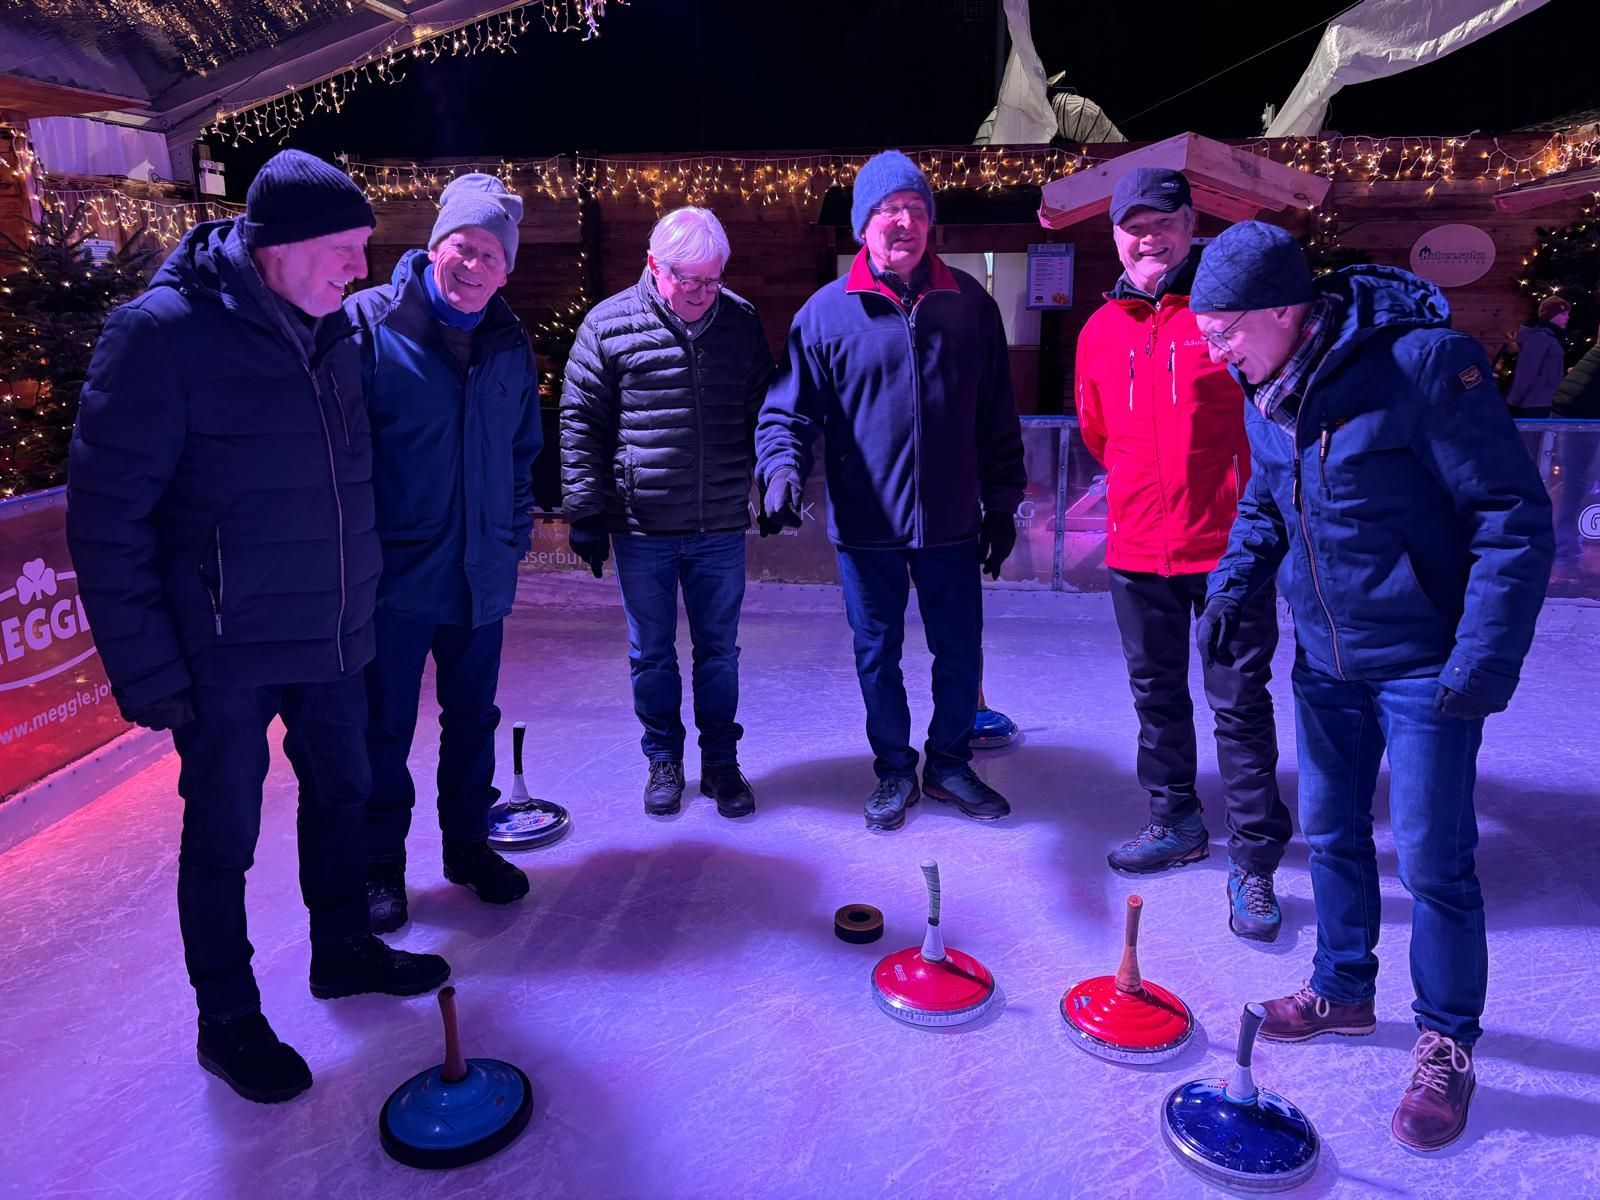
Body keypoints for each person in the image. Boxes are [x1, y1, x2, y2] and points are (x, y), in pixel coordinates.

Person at [66, 150, 450, 1105]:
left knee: (344, 798)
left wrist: (363, 605)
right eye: (345, 248)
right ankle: (228, 1020)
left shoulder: (337, 332)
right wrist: (149, 670)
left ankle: (344, 948)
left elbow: (347, 484)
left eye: (365, 248)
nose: (360, 268)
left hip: (330, 634)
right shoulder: (161, 336)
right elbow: (107, 521)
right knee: (223, 836)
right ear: (276, 247)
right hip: (222, 650)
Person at [1191, 222, 1553, 1151]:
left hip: (1426, 664)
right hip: (1327, 663)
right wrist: (1233, 582)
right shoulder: (1265, 391)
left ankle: (1446, 1040)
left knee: (1434, 863)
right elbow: (1268, 504)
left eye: (1224, 329)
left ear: (1284, 309)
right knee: (1333, 836)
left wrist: (1482, 658)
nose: (1215, 349)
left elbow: (1511, 517)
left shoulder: (1423, 365)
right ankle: (1343, 988)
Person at [755, 149, 1026, 832]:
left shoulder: (969, 305)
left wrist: (1001, 504)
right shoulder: (825, 313)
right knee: (877, 655)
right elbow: (787, 412)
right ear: (862, 226)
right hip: (866, 524)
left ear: (929, 222)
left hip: (952, 521)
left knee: (959, 651)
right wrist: (781, 471)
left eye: (913, 209)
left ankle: (949, 763)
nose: (902, 222)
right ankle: (895, 768)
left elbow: (997, 412)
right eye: (886, 210)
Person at [1074, 168, 1290, 940]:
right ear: (1115, 238)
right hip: (1137, 549)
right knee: (1156, 697)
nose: (1149, 239)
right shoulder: (1100, 331)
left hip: (1229, 550)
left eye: (1162, 223)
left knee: (1239, 704)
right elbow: (1097, 432)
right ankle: (1177, 822)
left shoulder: (1225, 314)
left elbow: (1266, 421)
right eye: (1133, 227)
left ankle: (1255, 859)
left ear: (1190, 225)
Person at [346, 173, 543, 932]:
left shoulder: (508, 341)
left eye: (493, 255)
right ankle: (378, 865)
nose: (474, 265)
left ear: (506, 271)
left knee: (472, 720)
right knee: (383, 726)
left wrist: (511, 537)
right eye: (464, 246)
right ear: (434, 247)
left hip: (479, 572)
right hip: (394, 576)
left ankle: (467, 845)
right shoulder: (370, 325)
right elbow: (342, 454)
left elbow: (523, 451)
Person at [560, 207, 774, 817]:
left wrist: (771, 480)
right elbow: (581, 420)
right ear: (655, 265)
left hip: (719, 522)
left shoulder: (739, 322)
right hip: (642, 525)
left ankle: (722, 762)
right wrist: (585, 509)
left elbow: (764, 412)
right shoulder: (608, 324)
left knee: (720, 653)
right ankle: (663, 758)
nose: (704, 294)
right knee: (651, 654)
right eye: (690, 280)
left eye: (714, 280)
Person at [1504, 296, 1570, 418]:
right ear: (1550, 315)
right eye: (1562, 314)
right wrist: (1513, 402)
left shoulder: (1552, 337)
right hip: (1534, 404)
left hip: (1545, 402)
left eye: (1567, 314)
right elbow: (1526, 371)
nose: (1567, 317)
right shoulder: (1540, 337)